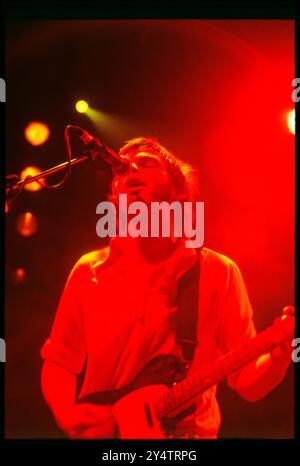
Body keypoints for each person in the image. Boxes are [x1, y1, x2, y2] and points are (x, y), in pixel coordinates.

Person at [40, 137, 293, 439]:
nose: (129, 168)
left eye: (147, 163)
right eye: (120, 169)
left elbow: (249, 385)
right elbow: (59, 363)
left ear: (180, 195)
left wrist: (279, 356)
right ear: (114, 198)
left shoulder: (218, 272)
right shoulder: (88, 271)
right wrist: (65, 413)